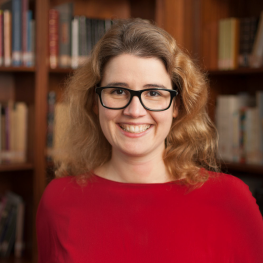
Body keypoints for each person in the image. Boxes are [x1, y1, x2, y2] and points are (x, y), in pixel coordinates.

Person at [37, 18, 263, 262]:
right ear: (95, 102)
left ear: (176, 105)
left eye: (154, 93)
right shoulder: (58, 200)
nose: (135, 110)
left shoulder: (231, 201)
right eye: (118, 91)